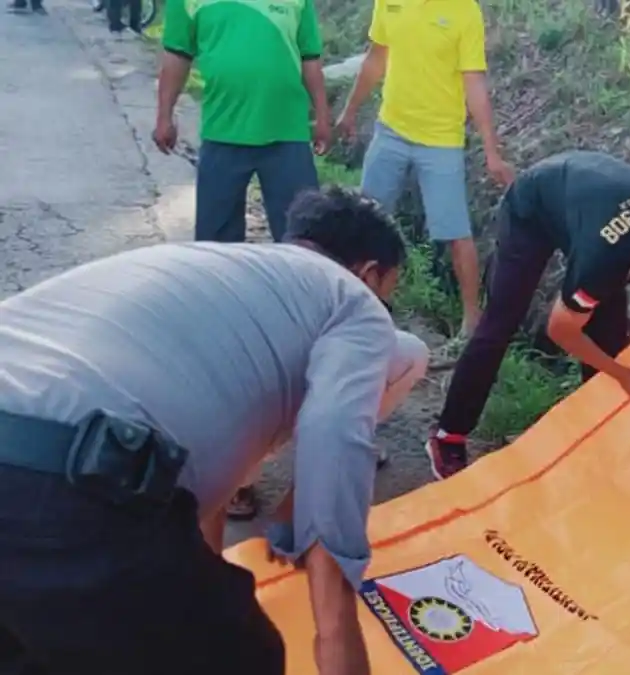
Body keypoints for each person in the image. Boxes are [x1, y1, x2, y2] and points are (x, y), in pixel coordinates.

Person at [0, 187, 430, 675]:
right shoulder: (353, 300)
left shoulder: (208, 266)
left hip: (36, 449)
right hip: (57, 489)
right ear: (369, 273)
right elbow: (335, 443)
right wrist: (339, 643)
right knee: (241, 656)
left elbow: (202, 434)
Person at [425, 150, 630, 480]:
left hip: (596, 199)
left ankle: (597, 439)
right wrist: (622, 374)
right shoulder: (602, 261)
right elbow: (561, 330)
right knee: (501, 322)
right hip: (535, 206)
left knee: (609, 338)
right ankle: (448, 437)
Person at [335, 0, 514, 338]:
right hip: (390, 130)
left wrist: (492, 151)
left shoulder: (464, 10)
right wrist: (349, 111)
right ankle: (355, 301)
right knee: (363, 218)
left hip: (441, 140)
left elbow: (473, 81)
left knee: (456, 231)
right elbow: (376, 57)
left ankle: (472, 323)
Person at [155, 0, 330, 244]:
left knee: (305, 237)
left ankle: (301, 283)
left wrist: (322, 116)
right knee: (216, 244)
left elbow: (310, 58)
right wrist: (164, 116)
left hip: (287, 132)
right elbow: (176, 55)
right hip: (222, 132)